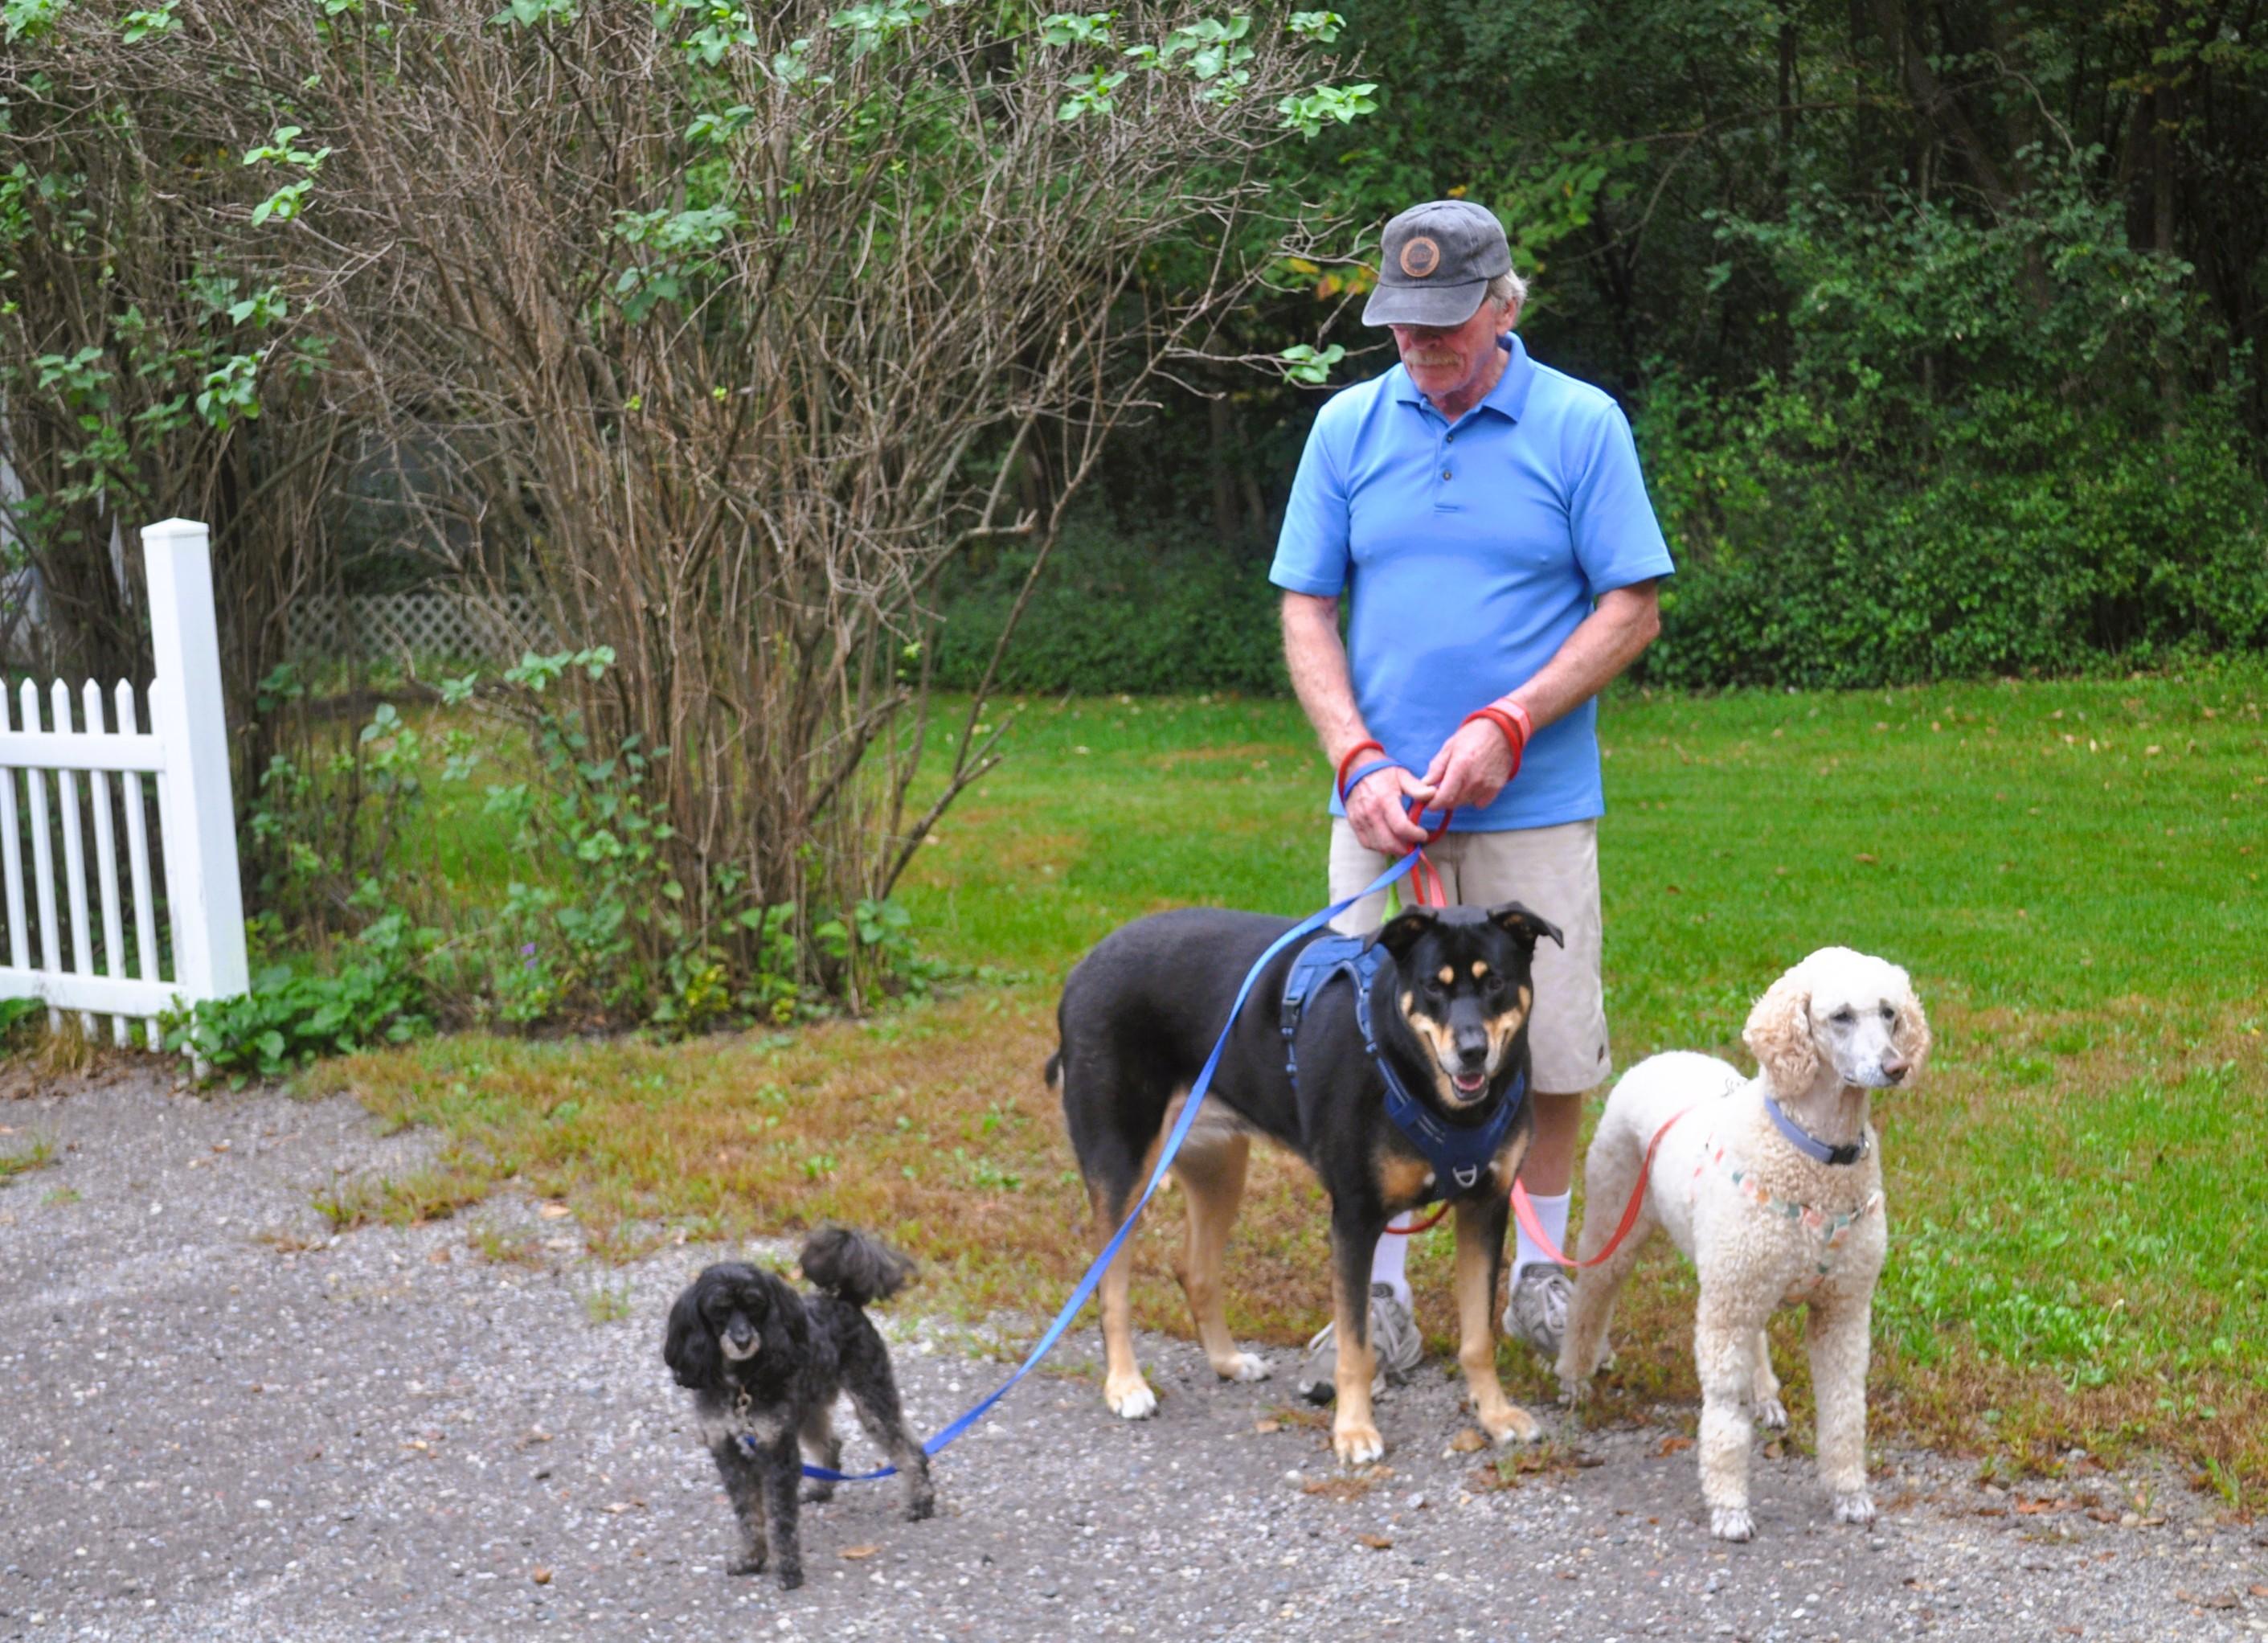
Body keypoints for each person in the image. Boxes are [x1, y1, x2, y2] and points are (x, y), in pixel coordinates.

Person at [1269, 199, 1673, 1400]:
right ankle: (1383, 1300)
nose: (1421, 344)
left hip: (1533, 799)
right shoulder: (1346, 428)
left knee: (1547, 1044)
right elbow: (1305, 609)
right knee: (1362, 1044)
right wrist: (1355, 760)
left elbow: (1632, 608)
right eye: (1403, 324)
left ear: (1504, 307)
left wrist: (1511, 721)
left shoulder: (1580, 424)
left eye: (1445, 322)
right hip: (1382, 813)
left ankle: (1538, 1273)